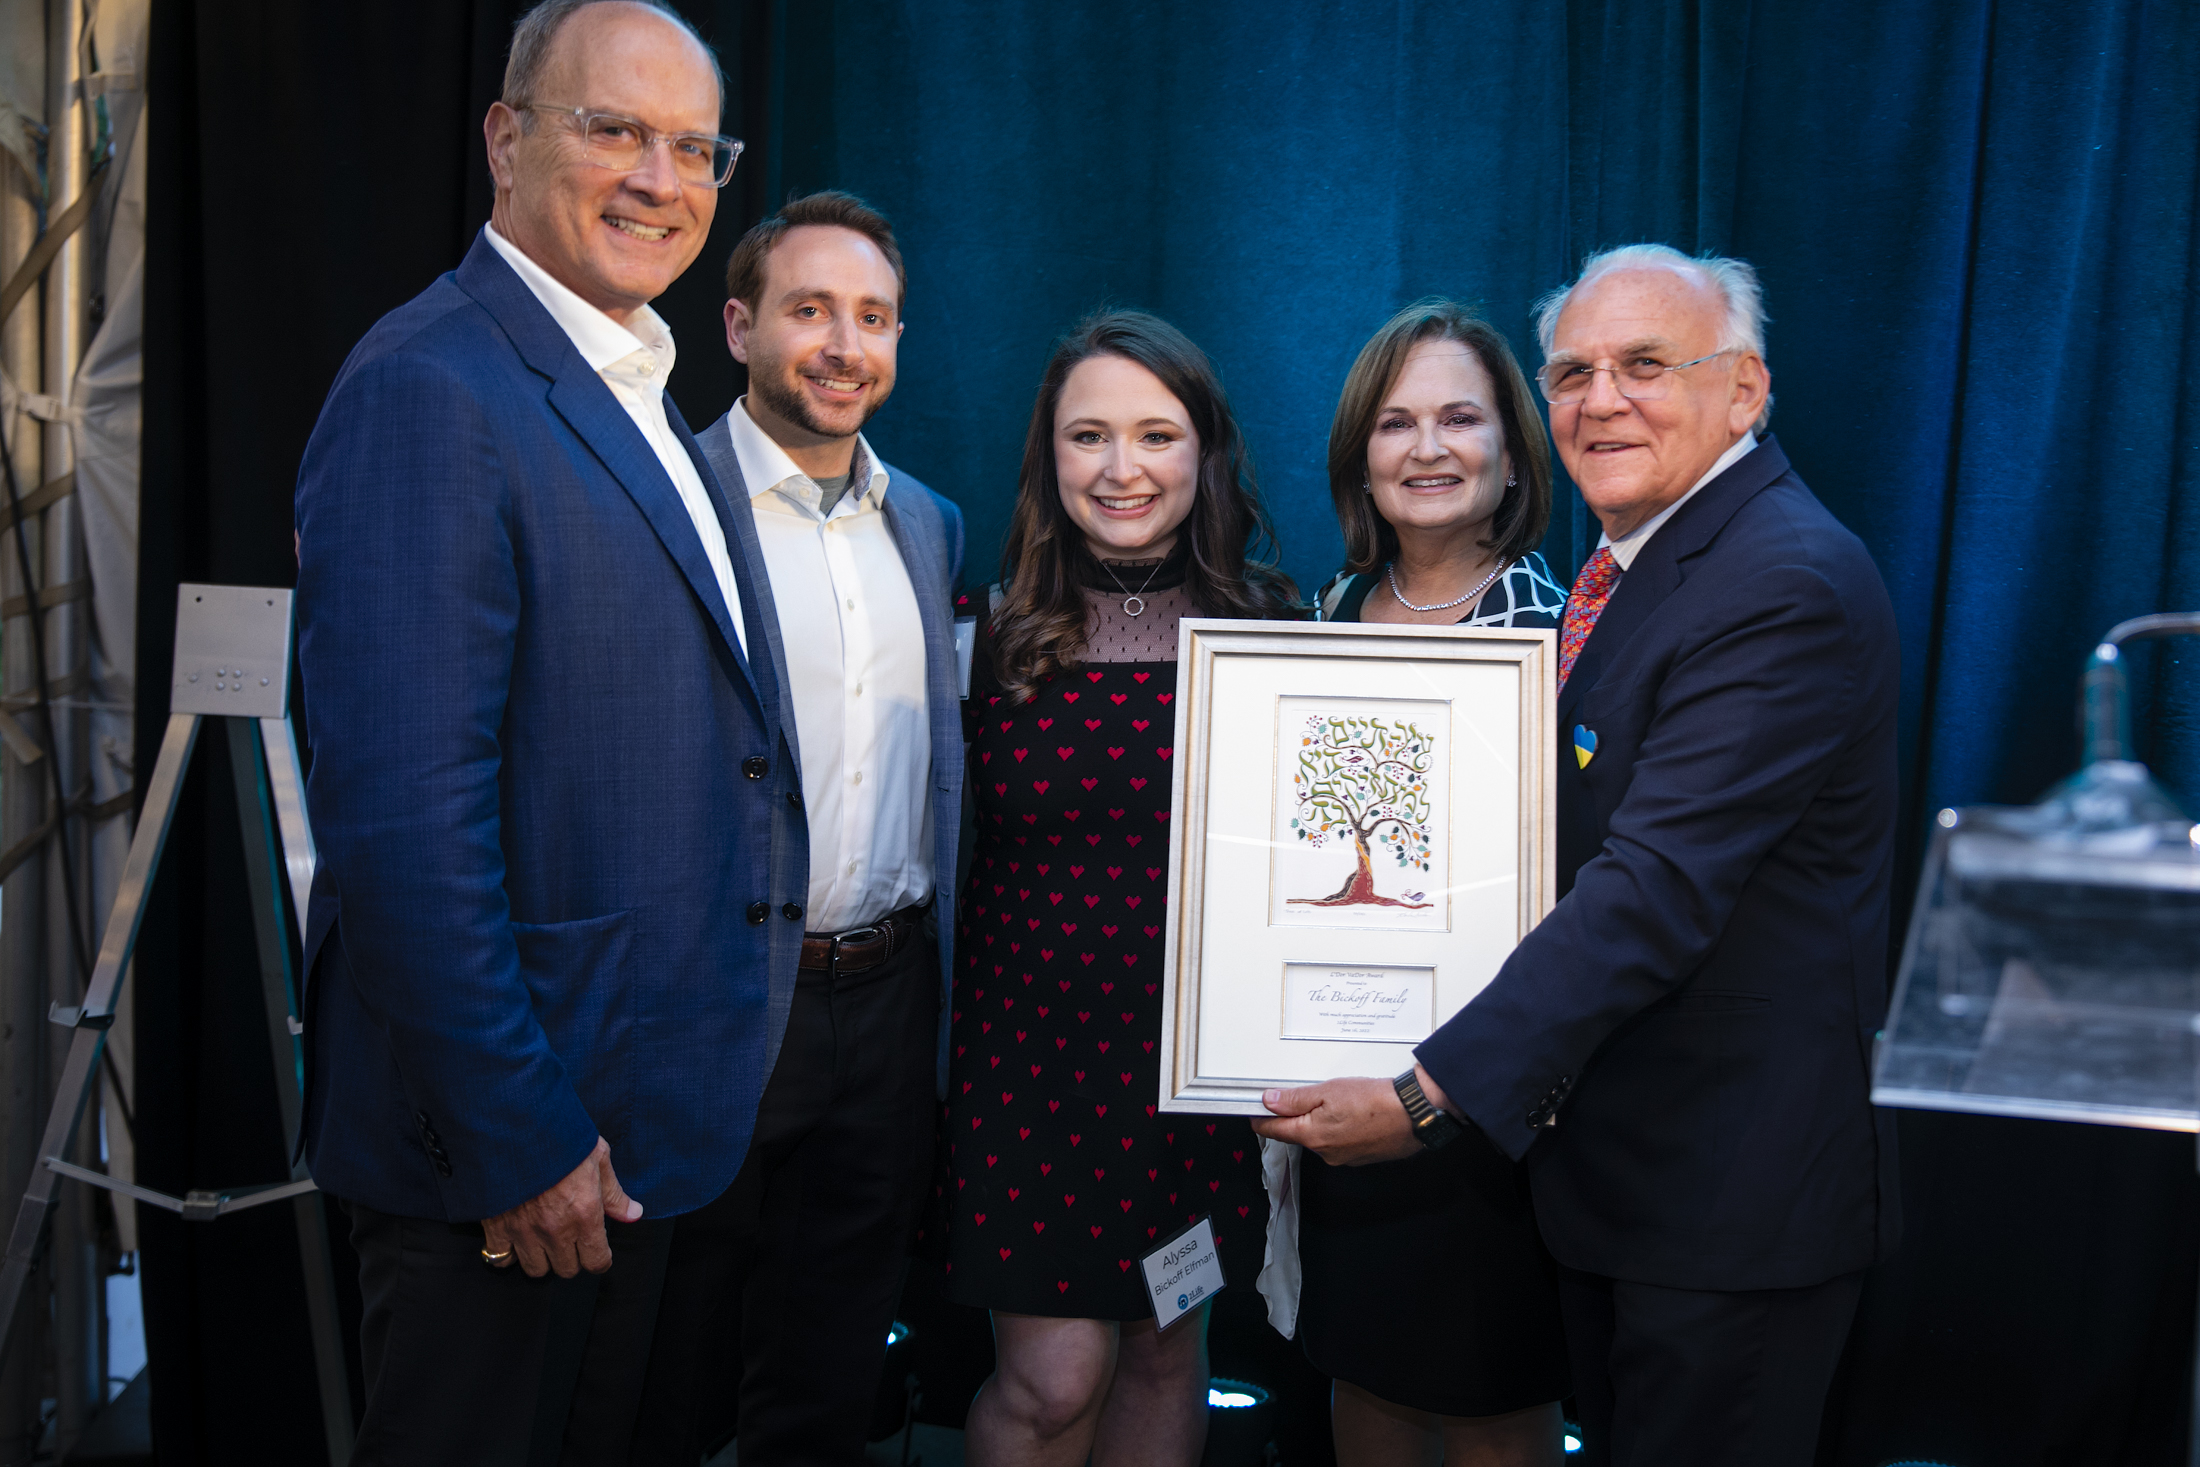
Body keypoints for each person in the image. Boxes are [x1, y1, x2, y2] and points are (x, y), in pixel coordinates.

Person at [1253, 245, 1901, 1467]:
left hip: (1726, 1203)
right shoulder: (1645, 570)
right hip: (1629, 1193)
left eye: (1646, 366)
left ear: (1746, 391)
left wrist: (1421, 1095)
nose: (1601, 400)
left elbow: (1650, 891)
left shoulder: (1781, 580)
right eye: (1573, 373)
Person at [292, 2, 792, 1462]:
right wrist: (518, 1134)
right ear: (506, 139)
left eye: (693, 146)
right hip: (511, 1165)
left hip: (632, 1134)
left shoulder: (633, 382)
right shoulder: (429, 389)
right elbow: (399, 832)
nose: (658, 176)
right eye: (613, 129)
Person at [627, 191, 967, 1466]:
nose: (844, 344)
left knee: (827, 1378)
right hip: (711, 997)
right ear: (736, 324)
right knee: (664, 1366)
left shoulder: (925, 524)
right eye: (811, 309)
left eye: (873, 316)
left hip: (885, 1003)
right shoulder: (659, 500)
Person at [949, 311, 1295, 1466]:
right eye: (1086, 436)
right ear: (1049, 457)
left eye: (1155, 434)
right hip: (1026, 1073)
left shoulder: (1271, 626)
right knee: (1052, 1383)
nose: (1120, 468)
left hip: (1193, 1083)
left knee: (1162, 1354)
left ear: (1205, 453)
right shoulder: (987, 632)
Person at [1300, 300, 1570, 1465]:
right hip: (1344, 1074)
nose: (1426, 448)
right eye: (1395, 422)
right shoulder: (1318, 619)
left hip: (1491, 1100)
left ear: (1512, 451)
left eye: (1460, 418)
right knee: (1362, 1377)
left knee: (1487, 1401)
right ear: (1361, 453)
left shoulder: (1565, 634)